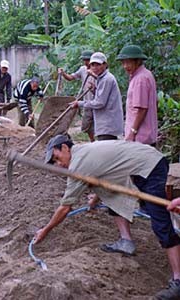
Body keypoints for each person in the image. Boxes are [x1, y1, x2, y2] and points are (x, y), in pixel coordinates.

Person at [34, 134, 180, 299]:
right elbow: (103, 171)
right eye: (55, 162)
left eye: (57, 157)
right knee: (110, 193)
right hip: (144, 160)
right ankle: (126, 242)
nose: (59, 164)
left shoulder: (78, 164)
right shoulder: (82, 151)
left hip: (150, 165)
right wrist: (97, 197)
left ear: (65, 148)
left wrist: (45, 230)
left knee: (160, 221)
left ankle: (178, 281)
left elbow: (65, 207)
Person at [70, 52, 124, 140]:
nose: (95, 68)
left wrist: (79, 103)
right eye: (93, 65)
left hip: (107, 125)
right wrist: (95, 90)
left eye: (98, 65)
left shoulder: (106, 79)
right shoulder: (101, 78)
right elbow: (103, 97)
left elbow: (100, 103)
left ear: (105, 65)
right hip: (105, 124)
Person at [117, 45, 158, 146]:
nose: (125, 66)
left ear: (138, 61)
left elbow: (141, 109)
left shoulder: (140, 79)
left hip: (140, 138)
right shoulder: (146, 74)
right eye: (123, 63)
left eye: (128, 62)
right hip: (146, 135)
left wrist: (132, 132)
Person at [58, 50, 96, 142]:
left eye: (87, 60)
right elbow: (71, 78)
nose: (86, 62)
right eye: (84, 60)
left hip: (98, 102)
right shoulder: (83, 69)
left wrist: (94, 76)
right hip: (87, 102)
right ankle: (93, 141)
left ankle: (99, 144)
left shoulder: (97, 70)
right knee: (86, 126)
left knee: (99, 126)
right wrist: (63, 73)